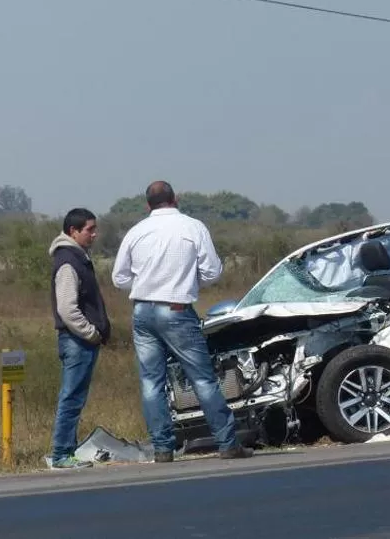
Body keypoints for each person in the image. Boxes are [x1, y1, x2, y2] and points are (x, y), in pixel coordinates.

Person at [111, 181, 252, 462]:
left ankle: (163, 448)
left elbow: (119, 278)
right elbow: (212, 271)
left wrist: (147, 283)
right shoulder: (192, 226)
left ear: (147, 204)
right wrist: (188, 282)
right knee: (202, 379)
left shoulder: (136, 232)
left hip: (143, 311)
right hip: (176, 309)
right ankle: (227, 443)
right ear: (175, 199)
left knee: (152, 382)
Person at [48, 208, 110, 470]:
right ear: (73, 231)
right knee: (71, 397)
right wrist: (91, 333)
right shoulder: (67, 262)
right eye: (89, 229)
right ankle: (62, 454)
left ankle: (67, 451)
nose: (94, 234)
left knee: (74, 397)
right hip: (77, 341)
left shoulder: (78, 258)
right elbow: (67, 308)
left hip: (80, 341)